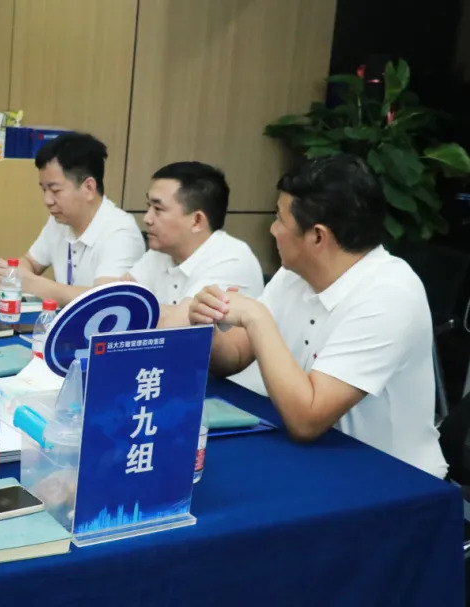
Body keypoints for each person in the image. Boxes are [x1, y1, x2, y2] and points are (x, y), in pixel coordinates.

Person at [189, 154, 445, 478]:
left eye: (279, 218)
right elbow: (235, 355)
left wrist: (257, 317)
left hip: (391, 477)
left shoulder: (390, 294)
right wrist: (207, 324)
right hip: (314, 461)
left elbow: (306, 420)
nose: (272, 229)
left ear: (318, 236)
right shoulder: (293, 274)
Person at [0, 132, 144, 305]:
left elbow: (105, 300)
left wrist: (32, 283)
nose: (47, 200)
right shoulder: (60, 221)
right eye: (44, 190)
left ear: (88, 188)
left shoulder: (121, 233)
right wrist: (11, 272)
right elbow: (30, 262)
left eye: (55, 190)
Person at [102, 162, 263, 324]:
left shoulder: (231, 259)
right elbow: (111, 303)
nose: (147, 219)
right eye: (148, 206)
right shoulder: (161, 251)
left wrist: (138, 309)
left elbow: (175, 329)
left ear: (196, 221)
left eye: (158, 209)